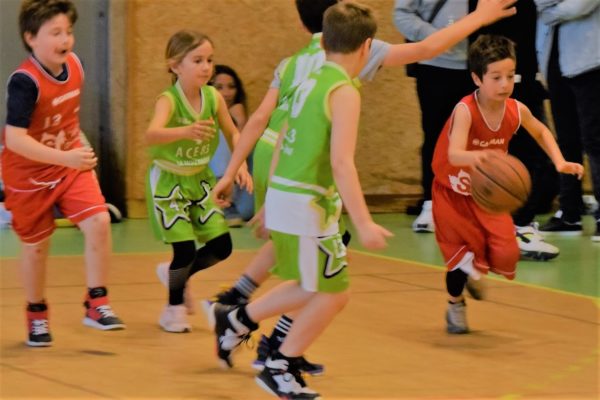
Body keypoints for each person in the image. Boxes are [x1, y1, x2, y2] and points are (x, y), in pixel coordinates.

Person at [206, 0, 518, 371]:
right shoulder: (350, 62)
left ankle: (253, 320)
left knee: (316, 268)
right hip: (307, 171)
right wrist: (479, 17)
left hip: (278, 159)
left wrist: (236, 174)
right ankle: (260, 335)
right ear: (365, 44)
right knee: (325, 277)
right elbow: (426, 48)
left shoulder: (294, 62)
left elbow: (263, 119)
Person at [211, 4, 391, 397]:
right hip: (307, 202)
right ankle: (279, 364)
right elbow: (341, 163)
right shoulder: (344, 91)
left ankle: (240, 321)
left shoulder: (310, 77)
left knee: (315, 287)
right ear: (366, 47)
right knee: (331, 291)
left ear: (324, 41)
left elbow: (283, 136)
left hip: (291, 196)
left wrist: (271, 199)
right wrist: (363, 222)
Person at [431, 34, 583, 334]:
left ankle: (475, 270)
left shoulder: (515, 109)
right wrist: (480, 157)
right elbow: (454, 153)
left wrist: (559, 162)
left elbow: (541, 131)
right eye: (496, 77)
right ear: (477, 78)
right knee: (463, 259)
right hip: (453, 194)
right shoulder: (465, 110)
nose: (504, 84)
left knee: (507, 253)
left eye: (510, 76)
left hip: (487, 197)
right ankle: (455, 303)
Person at [1, 0, 125, 347]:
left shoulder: (76, 66)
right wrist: (65, 156)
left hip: (68, 162)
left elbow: (65, 118)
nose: (65, 39)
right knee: (36, 248)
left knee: (99, 221)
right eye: (55, 33)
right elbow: (15, 139)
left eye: (68, 31)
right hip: (27, 172)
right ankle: (36, 313)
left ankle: (96, 302)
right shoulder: (24, 82)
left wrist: (72, 155)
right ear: (31, 38)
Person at [145, 30, 251, 333]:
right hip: (169, 181)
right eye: (197, 60)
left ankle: (174, 274)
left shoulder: (213, 97)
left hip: (199, 180)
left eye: (209, 60)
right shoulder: (168, 100)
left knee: (221, 246)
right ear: (175, 65)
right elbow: (151, 134)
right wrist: (185, 131)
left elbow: (233, 132)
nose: (206, 67)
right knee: (184, 250)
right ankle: (173, 309)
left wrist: (240, 164)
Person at [471, 0, 561, 260]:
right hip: (506, 78)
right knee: (522, 156)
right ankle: (515, 228)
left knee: (533, 155)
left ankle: (512, 226)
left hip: (524, 76)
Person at [394, 0, 475, 233]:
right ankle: (432, 204)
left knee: (480, 138)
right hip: (436, 66)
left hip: (482, 65)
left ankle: (472, 204)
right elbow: (402, 15)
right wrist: (437, 38)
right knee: (437, 136)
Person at [534, 0, 600, 241]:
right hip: (554, 61)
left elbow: (580, 6)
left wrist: (552, 11)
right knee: (566, 141)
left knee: (595, 140)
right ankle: (569, 212)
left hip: (591, 61)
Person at [209, 65, 254, 227]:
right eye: (219, 87)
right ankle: (221, 197)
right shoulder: (200, 115)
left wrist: (241, 122)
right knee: (220, 134)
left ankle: (227, 203)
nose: (227, 93)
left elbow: (243, 151)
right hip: (210, 180)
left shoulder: (241, 114)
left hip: (240, 181)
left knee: (245, 211)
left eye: (231, 87)